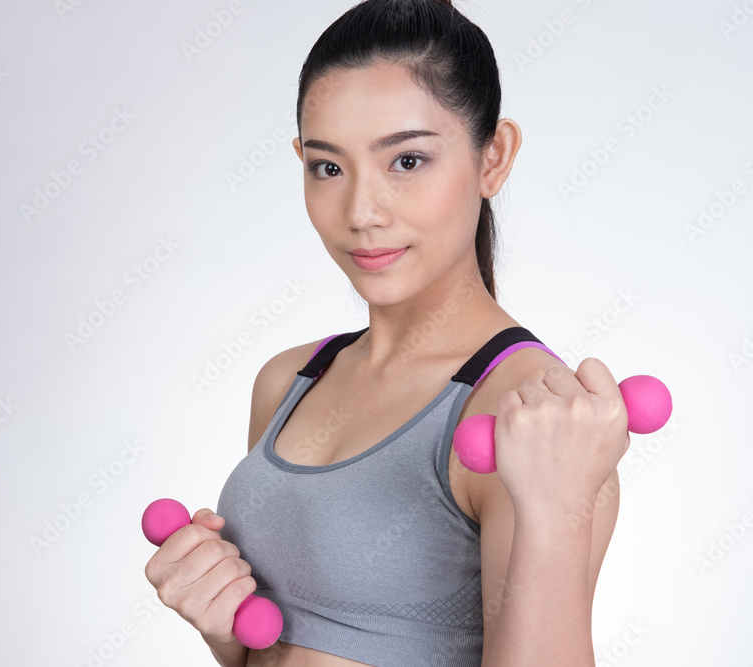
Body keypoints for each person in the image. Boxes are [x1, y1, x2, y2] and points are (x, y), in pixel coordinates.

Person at [144, 0, 629, 665]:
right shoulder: (288, 379)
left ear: (493, 157)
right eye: (329, 167)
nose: (361, 212)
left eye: (406, 161)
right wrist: (226, 630)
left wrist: (554, 514)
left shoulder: (530, 418)